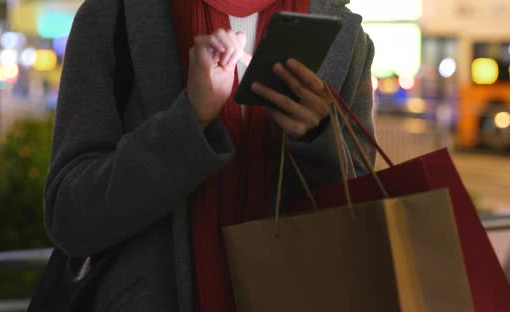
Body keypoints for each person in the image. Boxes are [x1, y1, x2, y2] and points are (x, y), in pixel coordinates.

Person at [44, 0, 375, 310]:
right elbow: (70, 215)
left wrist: (318, 139)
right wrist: (190, 120)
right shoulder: (114, 16)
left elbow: (361, 216)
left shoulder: (342, 33)